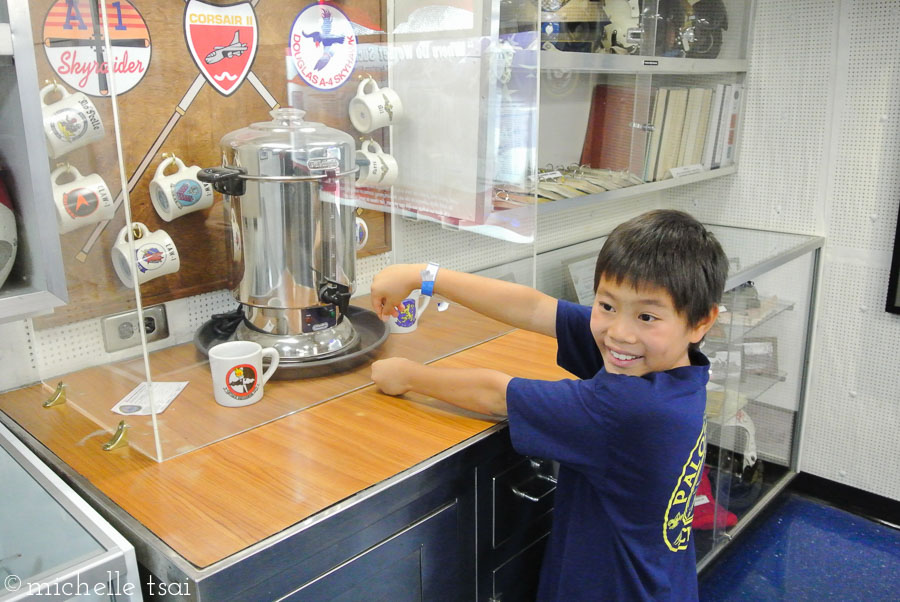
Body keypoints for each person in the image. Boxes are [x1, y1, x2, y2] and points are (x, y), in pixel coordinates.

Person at [369, 209, 729, 601]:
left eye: (646, 315)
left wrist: (407, 375)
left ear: (700, 322)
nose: (619, 333)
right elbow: (536, 308)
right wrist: (425, 276)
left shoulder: (632, 409)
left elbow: (495, 393)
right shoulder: (676, 367)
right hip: (663, 582)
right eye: (606, 305)